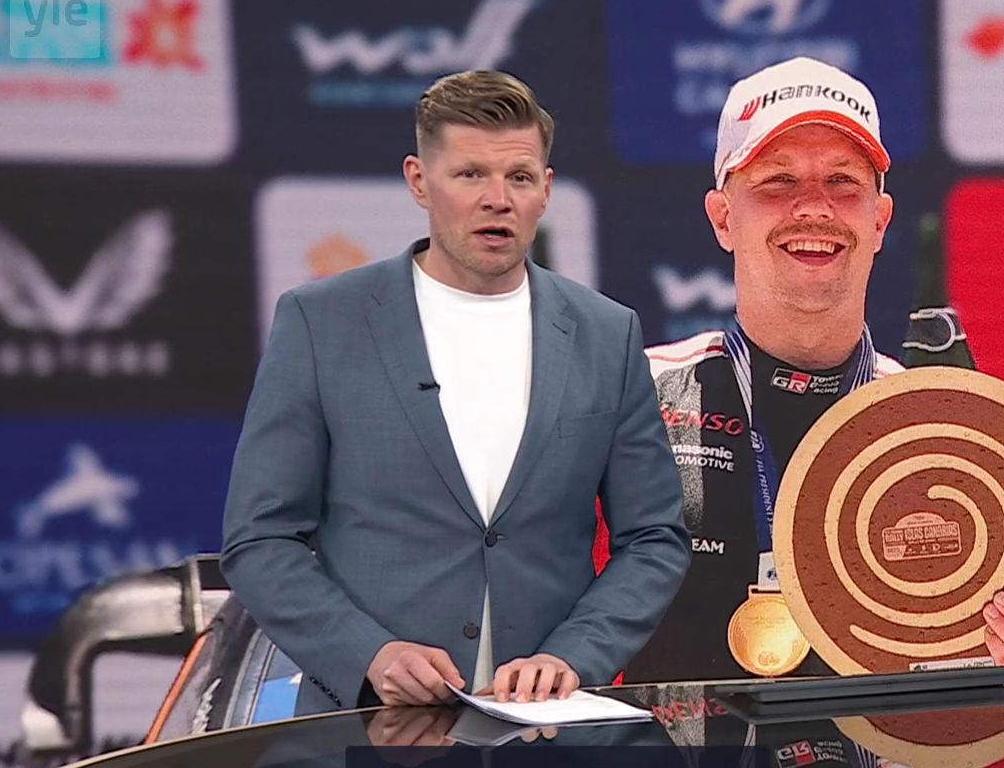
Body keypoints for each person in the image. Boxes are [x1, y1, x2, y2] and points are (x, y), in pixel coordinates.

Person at [593, 56, 1004, 682]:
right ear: (722, 218)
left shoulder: (946, 430)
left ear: (879, 220)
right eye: (778, 180)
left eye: (843, 181)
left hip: (887, 751)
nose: (814, 206)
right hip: (669, 752)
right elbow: (533, 615)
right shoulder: (628, 401)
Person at [222, 70, 690, 718]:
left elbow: (654, 539)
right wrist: (370, 655)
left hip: (546, 740)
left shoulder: (608, 334)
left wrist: (574, 656)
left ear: (546, 190)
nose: (498, 199)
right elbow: (260, 540)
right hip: (370, 733)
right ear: (419, 181)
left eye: (519, 177)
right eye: (470, 174)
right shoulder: (321, 323)